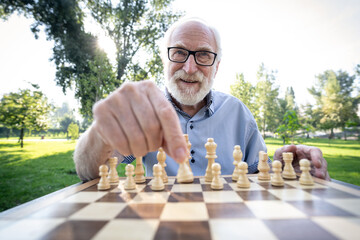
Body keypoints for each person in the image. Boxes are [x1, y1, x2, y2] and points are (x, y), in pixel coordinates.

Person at [73, 17, 330, 182]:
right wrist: (101, 133)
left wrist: (287, 168)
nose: (190, 67)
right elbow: (87, 172)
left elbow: (257, 176)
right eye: (179, 53)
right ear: (165, 60)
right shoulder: (142, 111)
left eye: (204, 56)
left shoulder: (238, 113)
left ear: (217, 67)